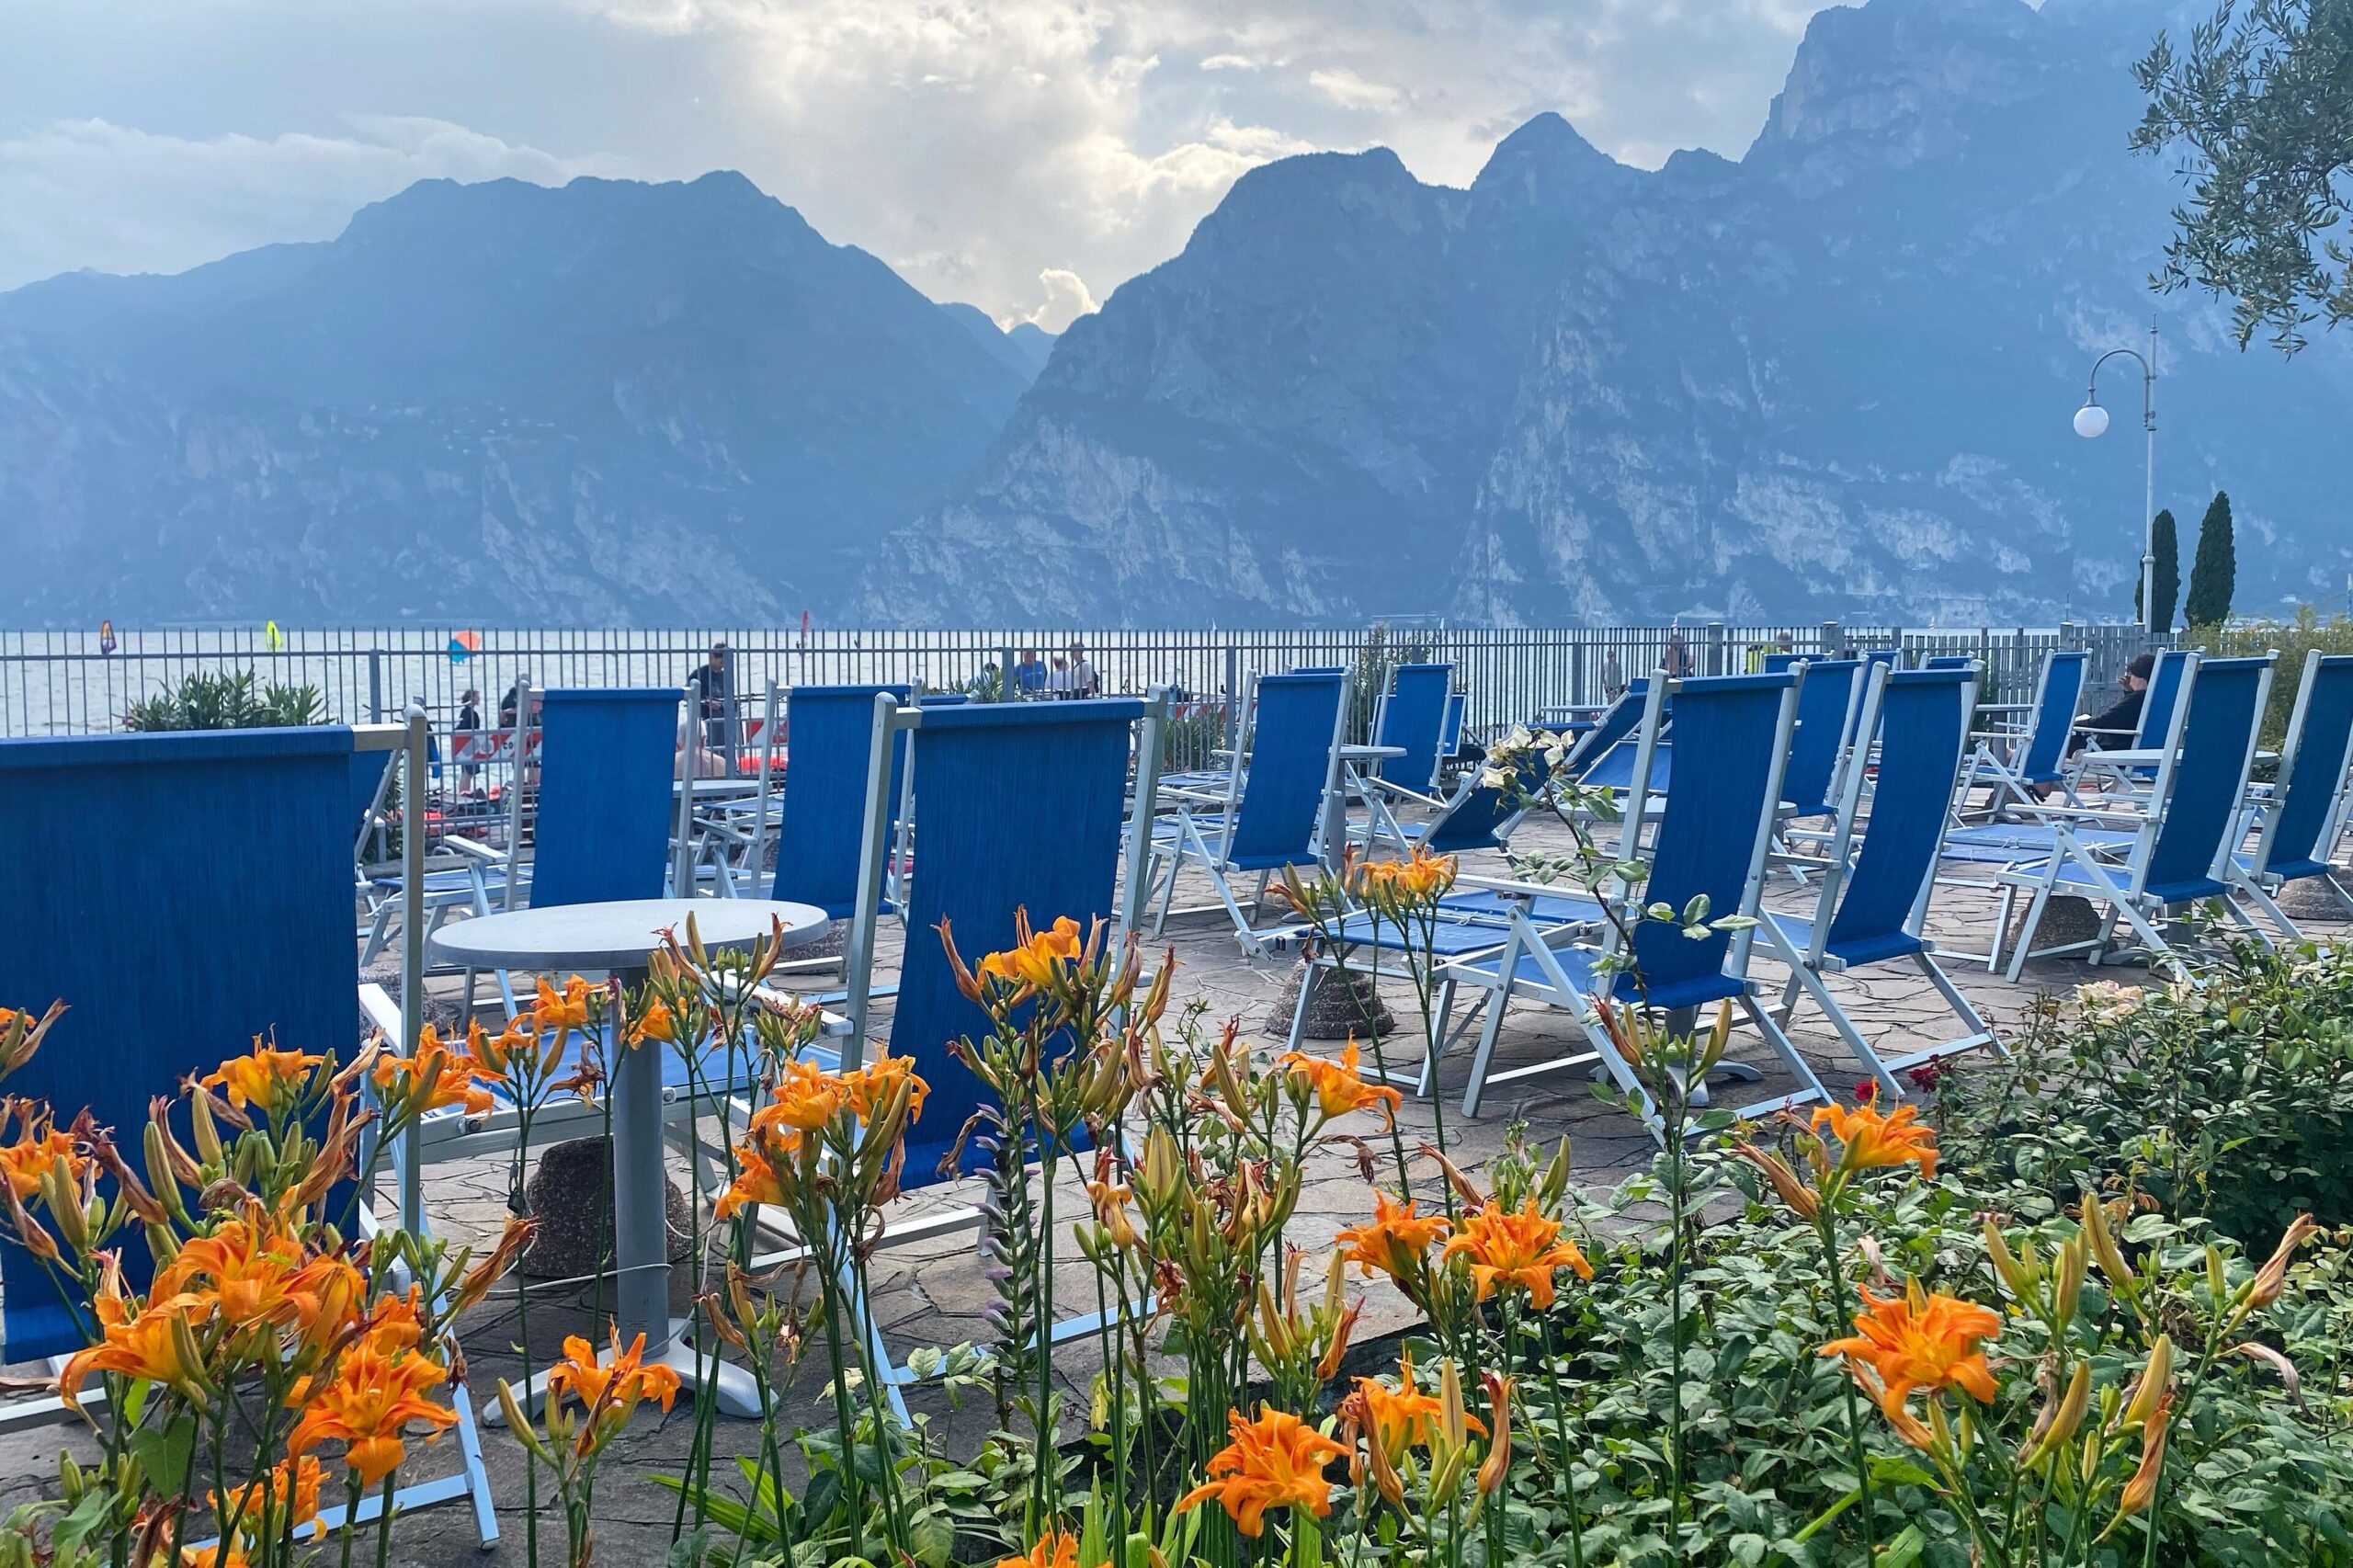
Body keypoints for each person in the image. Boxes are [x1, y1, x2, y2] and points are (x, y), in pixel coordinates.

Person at [2068, 652, 2156, 757]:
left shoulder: (2138, 698)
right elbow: (2124, 716)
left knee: (2068, 740)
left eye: (2131, 675)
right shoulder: (2158, 698)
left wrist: (2078, 723)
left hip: (2118, 750)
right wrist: (2130, 692)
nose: (2130, 680)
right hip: (2149, 752)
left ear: (2142, 677)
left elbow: (2106, 720)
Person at [689, 642, 731, 750]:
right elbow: (689, 695)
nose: (723, 666)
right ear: (712, 657)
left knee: (725, 746)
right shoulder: (699, 674)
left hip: (723, 718)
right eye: (721, 662)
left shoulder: (724, 676)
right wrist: (708, 702)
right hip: (705, 718)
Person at [455, 687, 483, 795]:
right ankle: (464, 793)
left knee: (465, 771)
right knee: (468, 772)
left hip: (464, 743)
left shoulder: (465, 712)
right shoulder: (471, 713)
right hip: (469, 743)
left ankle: (462, 792)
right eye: (477, 696)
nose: (479, 699)